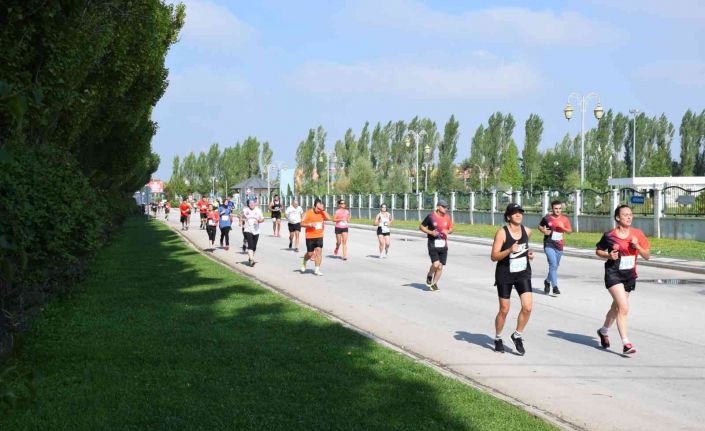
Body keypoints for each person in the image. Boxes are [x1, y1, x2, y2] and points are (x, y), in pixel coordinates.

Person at [595, 205, 650, 355]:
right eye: (625, 215)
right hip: (613, 274)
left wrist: (637, 245)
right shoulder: (610, 235)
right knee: (624, 308)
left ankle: (603, 330)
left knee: (616, 308)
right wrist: (608, 255)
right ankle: (626, 343)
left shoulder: (637, 234)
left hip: (629, 275)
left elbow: (647, 255)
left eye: (631, 214)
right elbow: (598, 250)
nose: (629, 217)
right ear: (618, 218)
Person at [491, 203, 534, 355]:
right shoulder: (502, 233)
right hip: (505, 274)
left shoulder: (527, 231)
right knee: (504, 309)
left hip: (522, 272)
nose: (518, 215)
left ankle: (517, 335)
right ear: (508, 216)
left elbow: (525, 248)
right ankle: (497, 338)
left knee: (528, 307)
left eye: (520, 212)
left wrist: (529, 254)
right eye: (515, 213)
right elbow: (494, 256)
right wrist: (509, 250)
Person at [537, 200, 573, 295]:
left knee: (555, 266)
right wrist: (543, 231)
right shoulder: (547, 218)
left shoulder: (564, 219)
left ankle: (547, 281)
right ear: (552, 209)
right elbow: (539, 226)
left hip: (559, 245)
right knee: (553, 264)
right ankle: (555, 286)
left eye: (559, 208)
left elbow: (570, 231)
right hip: (549, 244)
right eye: (556, 208)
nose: (558, 210)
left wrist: (563, 228)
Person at [418, 199, 454, 291]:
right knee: (436, 264)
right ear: (438, 207)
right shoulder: (431, 216)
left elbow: (451, 229)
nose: (445, 208)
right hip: (432, 244)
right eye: (443, 207)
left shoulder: (447, 217)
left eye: (446, 207)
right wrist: (430, 232)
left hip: (443, 245)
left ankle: (434, 284)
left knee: (440, 266)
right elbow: (421, 227)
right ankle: (430, 274)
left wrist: (448, 231)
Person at [300, 198, 330, 276]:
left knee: (318, 252)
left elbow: (329, 218)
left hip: (319, 235)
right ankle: (304, 262)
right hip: (310, 236)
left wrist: (322, 210)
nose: (318, 210)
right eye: (317, 208)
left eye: (320, 208)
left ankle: (317, 270)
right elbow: (301, 224)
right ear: (314, 206)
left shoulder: (321, 212)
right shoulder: (307, 213)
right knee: (310, 254)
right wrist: (310, 225)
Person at [242, 198, 264, 266]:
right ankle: (251, 260)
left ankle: (251, 258)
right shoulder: (245, 210)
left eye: (253, 203)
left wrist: (258, 221)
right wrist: (240, 218)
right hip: (248, 230)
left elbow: (263, 219)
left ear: (254, 204)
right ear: (248, 204)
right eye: (250, 203)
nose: (251, 204)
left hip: (256, 230)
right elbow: (240, 215)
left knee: (254, 247)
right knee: (250, 245)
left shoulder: (258, 210)